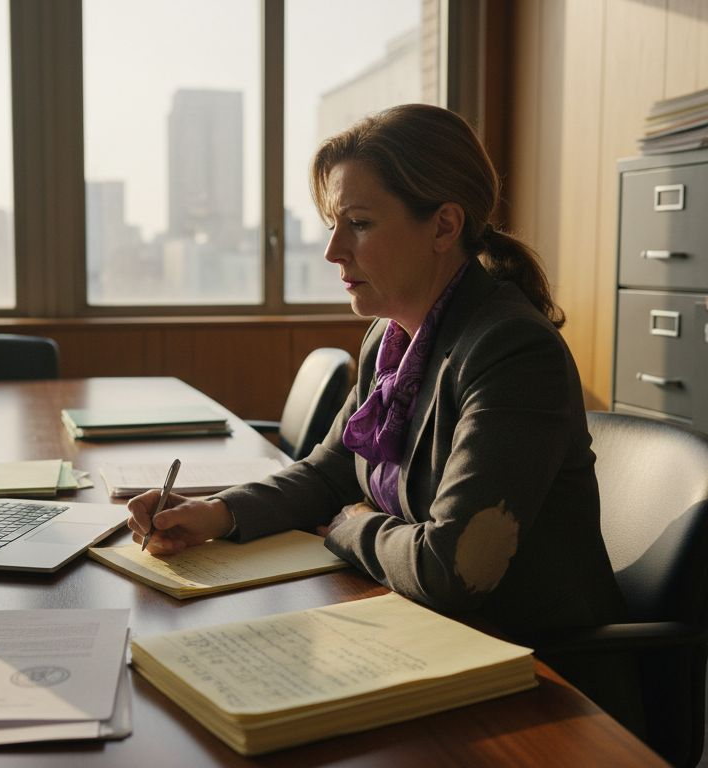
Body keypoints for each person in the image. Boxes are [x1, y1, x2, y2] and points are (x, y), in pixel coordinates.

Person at [127, 103, 642, 734]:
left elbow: (451, 568)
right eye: (332, 225)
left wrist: (347, 525)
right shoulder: (391, 339)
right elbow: (330, 469)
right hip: (422, 635)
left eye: (359, 224)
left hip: (532, 681)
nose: (333, 251)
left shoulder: (512, 351)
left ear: (444, 225)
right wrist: (217, 513)